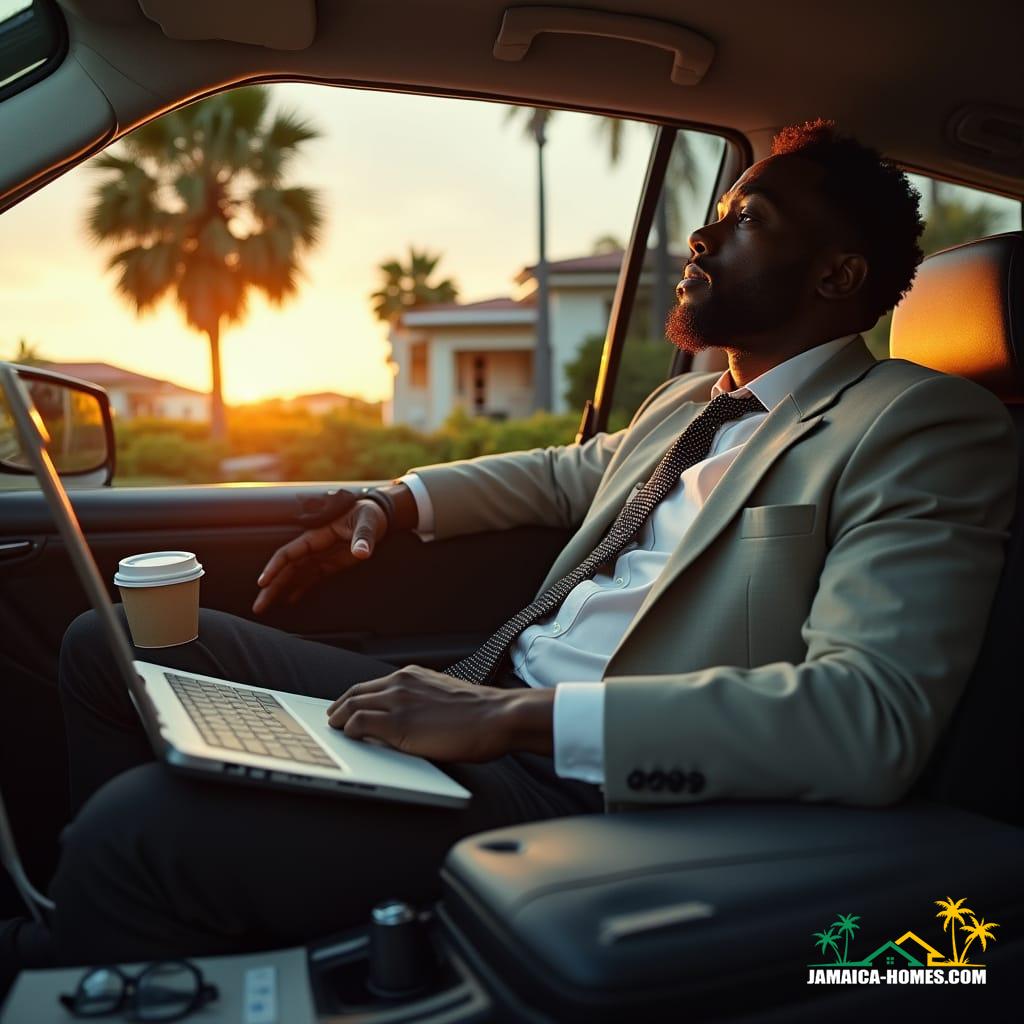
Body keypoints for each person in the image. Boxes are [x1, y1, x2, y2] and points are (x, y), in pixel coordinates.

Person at [1, 120, 1016, 978]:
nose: (702, 237)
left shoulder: (916, 424)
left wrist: (514, 719)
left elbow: (868, 717)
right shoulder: (690, 403)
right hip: (481, 699)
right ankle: (137, 941)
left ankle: (104, 951)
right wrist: (395, 499)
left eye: (748, 220)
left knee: (138, 828)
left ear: (838, 275)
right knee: (110, 645)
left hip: (584, 783)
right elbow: (560, 475)